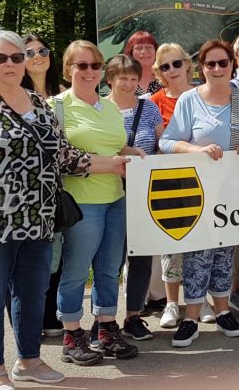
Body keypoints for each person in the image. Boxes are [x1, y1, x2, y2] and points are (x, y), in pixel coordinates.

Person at [0, 29, 123, 390]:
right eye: (1, 58)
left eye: (17, 57)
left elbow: (66, 157)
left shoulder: (37, 104)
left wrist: (113, 164)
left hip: (37, 221)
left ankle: (29, 360)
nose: (11, 64)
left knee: (32, 294)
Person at [159, 39, 239, 347]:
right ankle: (191, 317)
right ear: (202, 67)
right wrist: (197, 149)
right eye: (211, 64)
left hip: (234, 190)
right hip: (198, 191)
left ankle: (222, 311)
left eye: (223, 63)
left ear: (231, 65)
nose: (218, 68)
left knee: (224, 253)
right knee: (197, 254)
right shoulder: (189, 100)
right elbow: (167, 142)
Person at [56, 41, 143, 362]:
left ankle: (106, 328)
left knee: (109, 269)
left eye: (94, 65)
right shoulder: (58, 107)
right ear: (68, 70)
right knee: (77, 270)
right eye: (81, 65)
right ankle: (71, 334)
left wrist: (134, 154)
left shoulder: (110, 108)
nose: (89, 71)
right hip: (81, 203)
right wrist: (109, 161)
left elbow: (116, 146)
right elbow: (58, 156)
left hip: (115, 199)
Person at [105, 55, 165, 341]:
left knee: (141, 256)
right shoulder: (101, 109)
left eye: (132, 78)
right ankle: (104, 320)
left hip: (143, 191)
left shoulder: (148, 107)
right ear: (110, 80)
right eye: (122, 78)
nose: (128, 84)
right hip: (108, 191)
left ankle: (133, 316)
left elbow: (161, 142)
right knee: (110, 258)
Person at [148, 43, 199, 329]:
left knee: (201, 242)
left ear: (188, 65)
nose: (171, 71)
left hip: (203, 179)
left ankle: (198, 298)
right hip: (169, 181)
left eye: (176, 64)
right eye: (164, 66)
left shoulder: (204, 94)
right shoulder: (153, 102)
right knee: (172, 241)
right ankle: (171, 303)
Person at [20, 32, 65, 337]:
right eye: (30, 52)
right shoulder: (14, 95)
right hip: (27, 189)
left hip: (62, 186)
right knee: (34, 258)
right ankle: (30, 321)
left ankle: (51, 316)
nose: (38, 56)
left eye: (43, 50)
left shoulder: (64, 94)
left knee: (58, 254)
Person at [21, 32, 61, 98]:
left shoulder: (61, 93)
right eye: (29, 53)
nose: (38, 56)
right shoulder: (16, 95)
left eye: (42, 51)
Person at [123, 31, 163, 95]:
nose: (144, 51)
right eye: (139, 48)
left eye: (149, 47)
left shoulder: (166, 78)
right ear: (131, 52)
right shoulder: (122, 81)